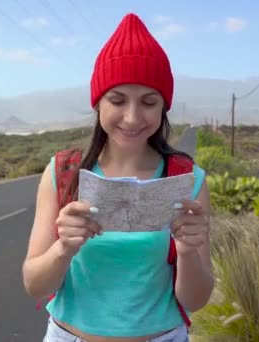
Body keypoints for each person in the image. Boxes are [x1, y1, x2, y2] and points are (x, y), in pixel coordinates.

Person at [22, 12, 213, 342]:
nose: (132, 116)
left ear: (164, 107)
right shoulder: (64, 173)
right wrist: (64, 248)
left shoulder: (188, 180)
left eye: (149, 102)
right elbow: (34, 284)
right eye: (117, 99)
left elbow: (195, 300)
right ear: (97, 103)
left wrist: (186, 251)